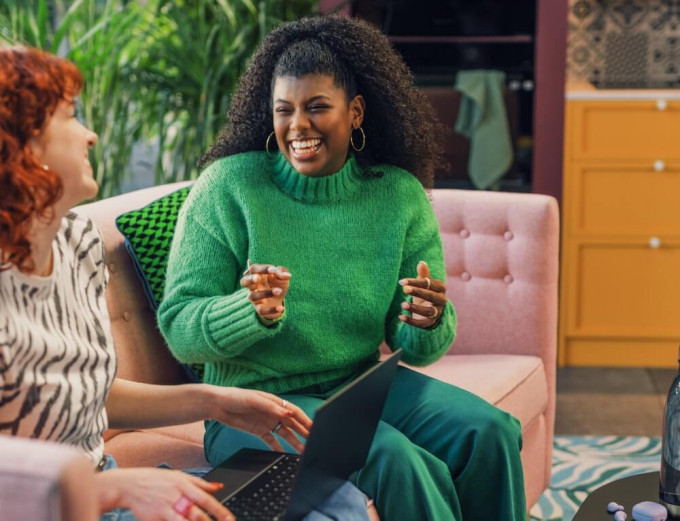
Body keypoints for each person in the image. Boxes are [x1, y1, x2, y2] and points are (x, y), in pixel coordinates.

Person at [158, 14, 526, 521]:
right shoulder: (227, 187)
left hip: (356, 388)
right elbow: (179, 328)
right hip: (249, 406)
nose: (297, 126)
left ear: (354, 113)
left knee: (489, 431)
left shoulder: (397, 195)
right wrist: (249, 312)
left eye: (316, 108)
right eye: (283, 110)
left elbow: (417, 349)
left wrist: (426, 321)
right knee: (392, 459)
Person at [0, 46, 375, 521]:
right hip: (55, 509)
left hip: (105, 484)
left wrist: (217, 402)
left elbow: (89, 395)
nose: (90, 135)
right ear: (20, 146)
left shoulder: (76, 243)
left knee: (331, 493)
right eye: (70, 118)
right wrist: (111, 489)